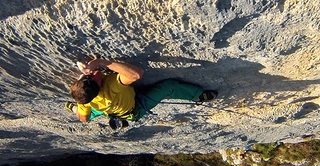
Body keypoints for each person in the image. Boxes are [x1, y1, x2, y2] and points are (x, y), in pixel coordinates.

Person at [65, 58, 217, 128]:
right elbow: (136, 75)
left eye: (87, 76)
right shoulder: (110, 86)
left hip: (112, 108)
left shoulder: (83, 99)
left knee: (89, 114)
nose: (93, 73)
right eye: (92, 77)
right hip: (135, 107)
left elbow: (83, 119)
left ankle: (71, 108)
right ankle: (197, 95)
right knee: (169, 86)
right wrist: (101, 63)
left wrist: (76, 108)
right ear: (99, 86)